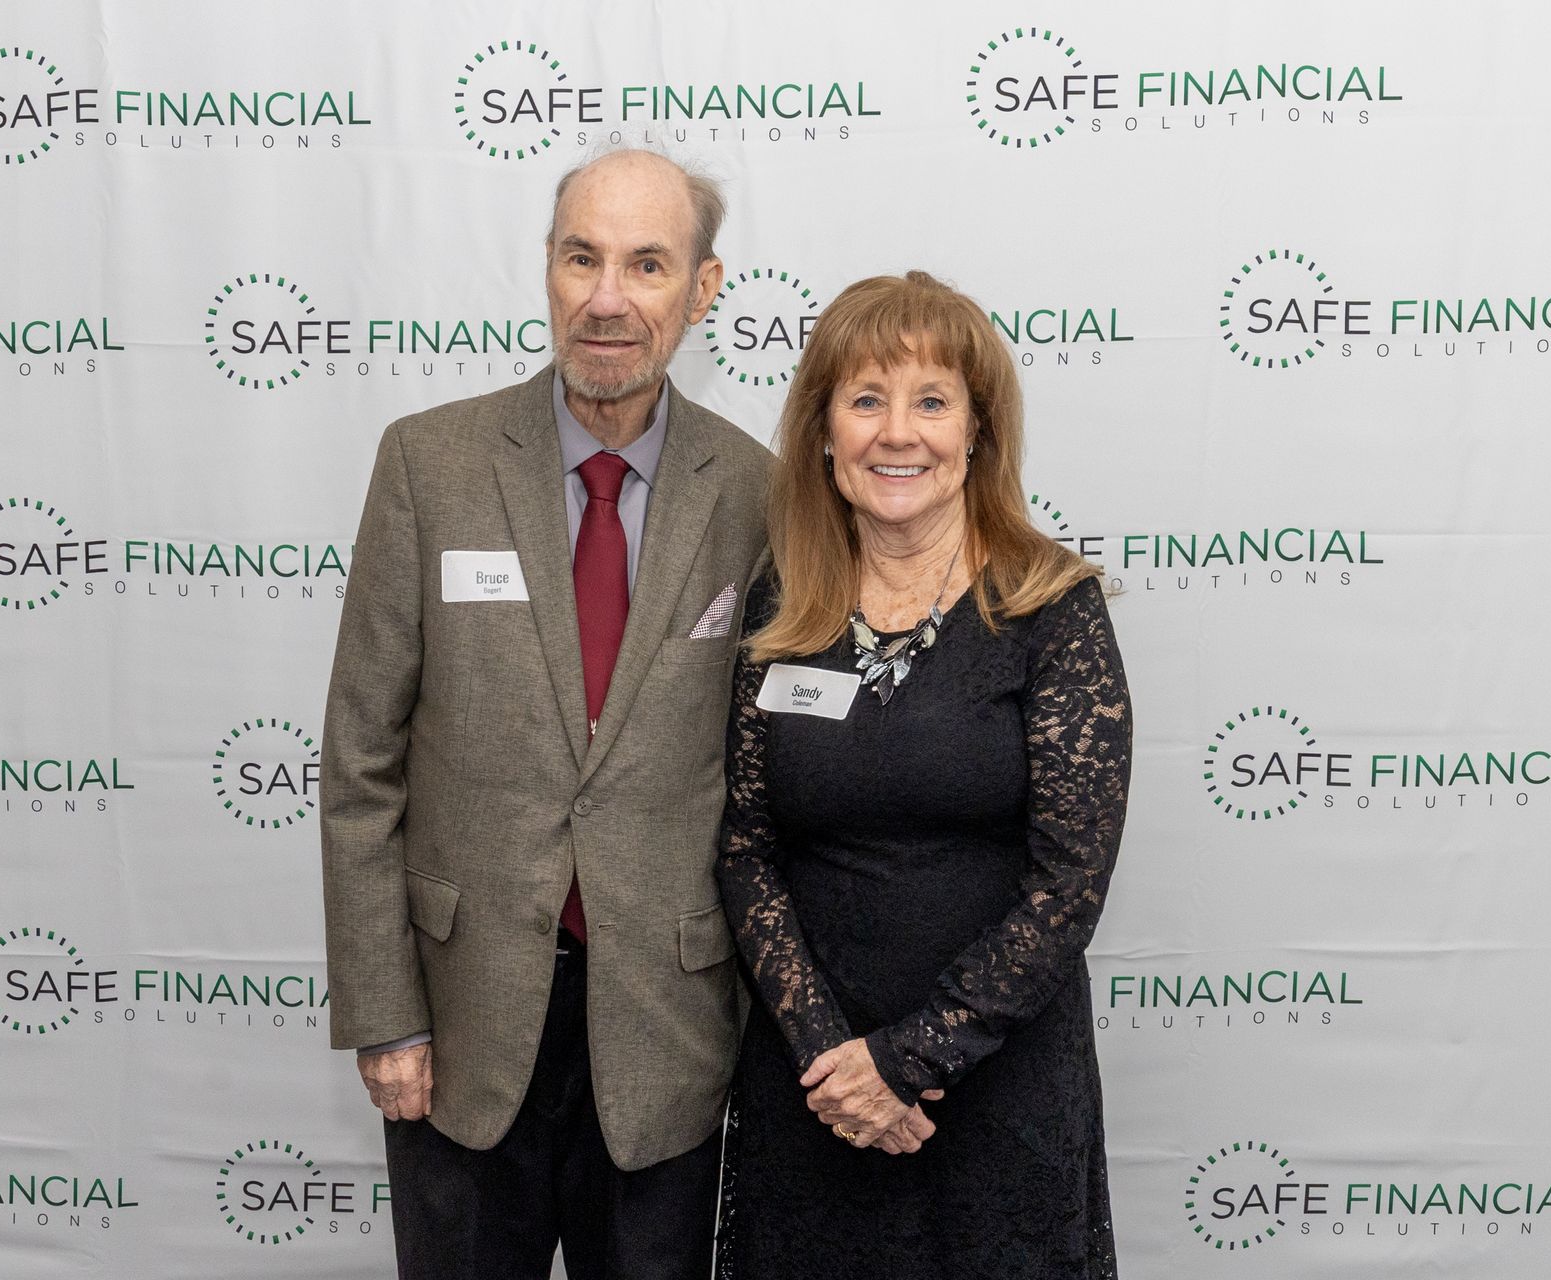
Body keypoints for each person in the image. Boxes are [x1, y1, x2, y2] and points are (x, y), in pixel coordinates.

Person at [319, 148, 772, 1280]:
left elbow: (772, 777)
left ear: (702, 290)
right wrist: (387, 1014)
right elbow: (361, 762)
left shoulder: (763, 495)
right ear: (549, 269)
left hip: (665, 1036)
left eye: (646, 264)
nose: (607, 297)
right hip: (461, 1032)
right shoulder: (430, 463)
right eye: (582, 257)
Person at [714, 271, 1131, 1279]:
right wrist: (831, 1057)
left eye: (932, 400)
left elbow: (1068, 882)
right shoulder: (779, 608)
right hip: (810, 1087)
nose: (898, 432)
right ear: (823, 430)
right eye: (866, 399)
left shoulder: (1052, 607)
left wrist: (905, 1061)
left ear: (978, 429)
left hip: (995, 1089)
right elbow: (743, 842)